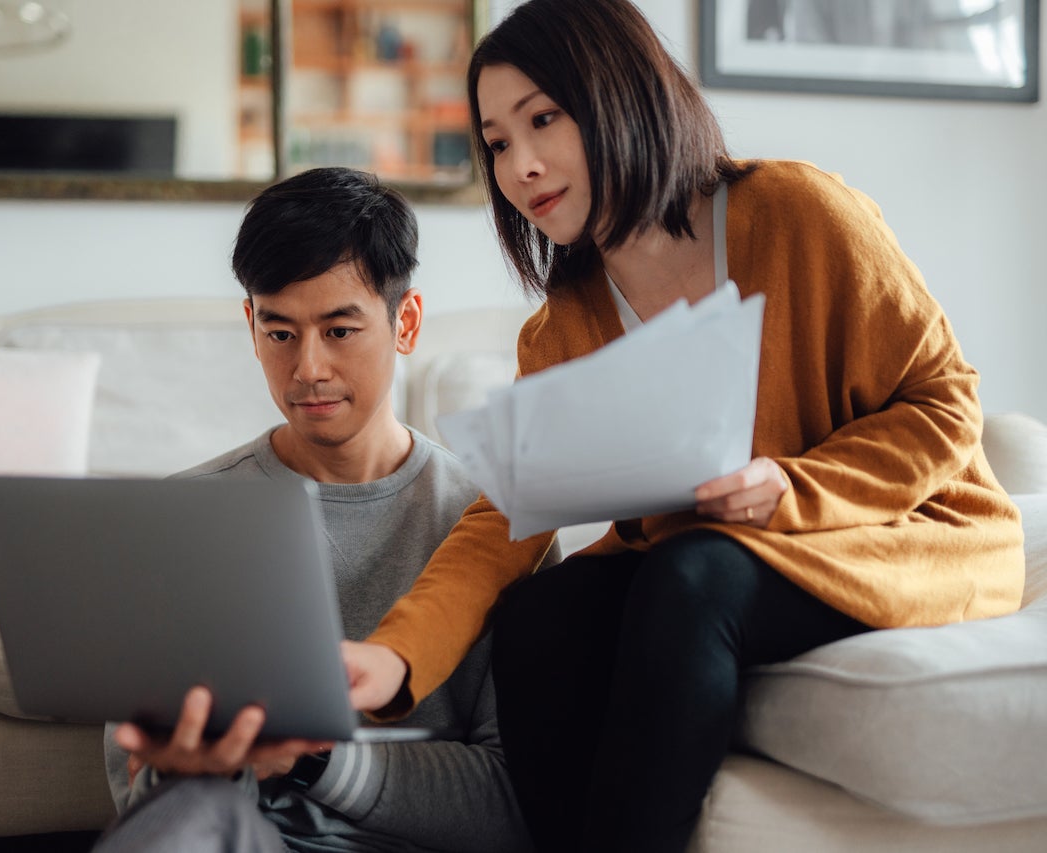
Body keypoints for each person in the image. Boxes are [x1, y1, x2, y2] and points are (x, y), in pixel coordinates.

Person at [340, 1, 1026, 851]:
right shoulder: (561, 329)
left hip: (898, 531)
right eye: (497, 143)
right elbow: (504, 521)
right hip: (719, 556)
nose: (519, 165)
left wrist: (793, 486)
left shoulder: (802, 214)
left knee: (692, 573)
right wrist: (396, 657)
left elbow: (945, 402)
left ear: (619, 94)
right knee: (541, 613)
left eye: (542, 119)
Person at [95, 166, 536, 853]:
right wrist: (188, 772)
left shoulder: (496, 522)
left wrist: (314, 757)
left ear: (406, 322)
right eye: (280, 333)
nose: (307, 368)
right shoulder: (186, 513)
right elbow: (138, 795)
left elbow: (517, 803)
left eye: (339, 330)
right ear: (251, 324)